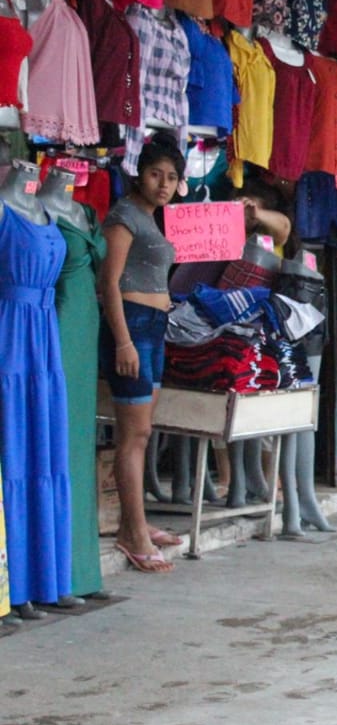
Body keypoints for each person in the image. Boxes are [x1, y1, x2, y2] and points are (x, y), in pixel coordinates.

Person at [99, 137, 186, 573]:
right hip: (131, 326)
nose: (163, 184)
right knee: (133, 435)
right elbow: (108, 283)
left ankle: (138, 521)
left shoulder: (154, 219)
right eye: (156, 174)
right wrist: (123, 342)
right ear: (140, 172)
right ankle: (131, 534)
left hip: (154, 329)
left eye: (171, 178)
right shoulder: (124, 215)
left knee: (144, 433)